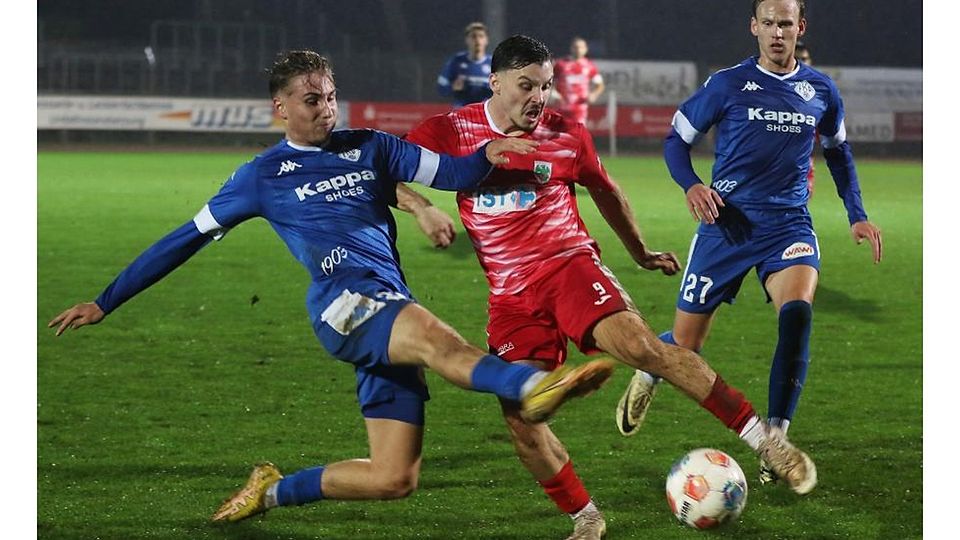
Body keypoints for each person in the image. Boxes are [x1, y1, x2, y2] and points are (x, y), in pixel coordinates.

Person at [48, 49, 619, 523]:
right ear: (282, 108)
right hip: (343, 305)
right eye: (311, 99)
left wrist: (486, 153)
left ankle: (269, 490)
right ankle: (530, 384)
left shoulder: (371, 145)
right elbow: (182, 240)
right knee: (435, 339)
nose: (326, 108)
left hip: (389, 308)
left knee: (393, 477)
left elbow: (451, 175)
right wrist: (104, 300)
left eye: (330, 95)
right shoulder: (260, 177)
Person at [405, 34, 818, 540]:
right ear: (495, 83)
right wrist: (422, 206)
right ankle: (586, 517)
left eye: (546, 87)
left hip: (568, 267)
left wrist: (639, 251)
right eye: (526, 86)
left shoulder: (566, 133)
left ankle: (764, 440)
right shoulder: (450, 130)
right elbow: (388, 170)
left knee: (641, 347)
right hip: (510, 296)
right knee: (521, 416)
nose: (539, 98)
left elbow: (605, 190)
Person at [615, 0, 882, 486]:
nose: (777, 32)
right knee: (687, 348)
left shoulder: (820, 89)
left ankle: (776, 435)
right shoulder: (727, 84)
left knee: (798, 311)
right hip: (726, 226)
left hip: (788, 225)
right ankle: (653, 366)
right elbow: (676, 141)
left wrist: (857, 215)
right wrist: (692, 185)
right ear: (754, 28)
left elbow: (839, 152)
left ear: (800, 28)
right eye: (769, 23)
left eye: (786, 23)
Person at [437, 22, 493, 107]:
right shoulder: (456, 61)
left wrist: (492, 89)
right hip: (461, 114)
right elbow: (441, 87)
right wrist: (452, 88)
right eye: (473, 36)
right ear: (467, 40)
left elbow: (504, 91)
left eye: (481, 36)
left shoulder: (494, 63)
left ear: (486, 40)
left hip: (484, 114)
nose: (477, 40)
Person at [551, 36, 605, 125]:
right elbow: (549, 82)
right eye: (576, 47)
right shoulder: (560, 64)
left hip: (579, 110)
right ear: (571, 48)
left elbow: (600, 85)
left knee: (577, 135)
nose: (578, 50)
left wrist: (594, 95)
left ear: (586, 49)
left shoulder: (590, 66)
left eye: (581, 47)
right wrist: (553, 93)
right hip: (561, 108)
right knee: (559, 136)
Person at [795, 40, 817, 196]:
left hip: (802, 165)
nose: (802, 63)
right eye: (798, 59)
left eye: (805, 59)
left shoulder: (819, 92)